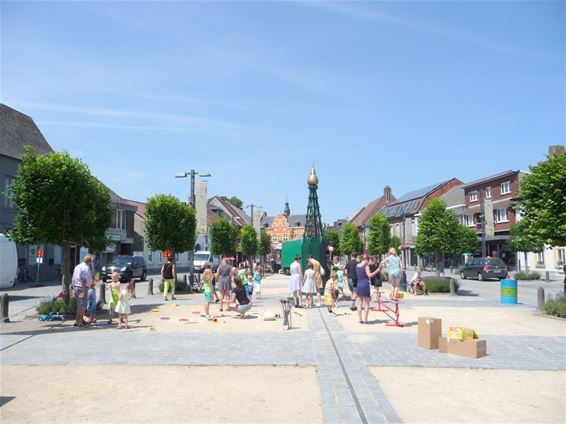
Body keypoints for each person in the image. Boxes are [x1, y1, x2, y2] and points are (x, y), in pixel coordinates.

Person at [356, 254, 381, 324]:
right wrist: (377, 271)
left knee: (359, 304)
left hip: (359, 284)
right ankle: (366, 320)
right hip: (365, 284)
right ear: (366, 259)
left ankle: (360, 320)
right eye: (368, 260)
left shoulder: (357, 266)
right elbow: (369, 275)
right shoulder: (366, 266)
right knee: (366, 304)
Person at [72, 254, 93, 327]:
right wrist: (84, 291)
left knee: (79, 305)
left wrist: (74, 290)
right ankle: (80, 321)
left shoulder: (77, 266)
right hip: (82, 288)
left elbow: (73, 279)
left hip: (77, 287)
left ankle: (77, 321)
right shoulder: (86, 268)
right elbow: (84, 280)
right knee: (82, 306)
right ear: (90, 261)